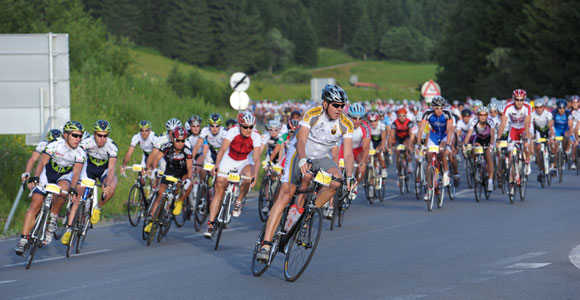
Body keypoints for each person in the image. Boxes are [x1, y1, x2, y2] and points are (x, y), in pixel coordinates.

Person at [256, 84, 354, 262]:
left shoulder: (346, 124)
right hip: (299, 152)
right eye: (335, 105)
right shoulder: (312, 114)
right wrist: (302, 159)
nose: (339, 109)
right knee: (286, 194)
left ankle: (306, 215)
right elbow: (300, 141)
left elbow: (348, 154)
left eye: (342, 105)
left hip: (320, 157)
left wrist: (350, 176)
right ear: (325, 104)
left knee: (337, 180)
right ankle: (266, 244)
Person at [15, 121, 86, 254]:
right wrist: (35, 177)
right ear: (66, 135)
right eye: (75, 135)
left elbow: (76, 172)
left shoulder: (81, 153)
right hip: (47, 175)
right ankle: (23, 240)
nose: (78, 139)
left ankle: (53, 219)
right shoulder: (54, 145)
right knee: (34, 205)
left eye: (80, 136)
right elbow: (42, 162)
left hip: (63, 176)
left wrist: (73, 188)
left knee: (63, 191)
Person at [203, 111, 262, 237]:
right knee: (219, 189)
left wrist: (255, 176)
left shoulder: (256, 136)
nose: (248, 130)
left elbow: (257, 158)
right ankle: (211, 224)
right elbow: (223, 149)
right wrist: (217, 165)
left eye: (251, 127)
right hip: (229, 159)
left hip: (245, 161)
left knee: (247, 177)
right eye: (245, 127)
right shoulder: (233, 131)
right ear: (240, 125)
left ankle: (239, 201)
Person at [62, 120, 119, 245]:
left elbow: (111, 169)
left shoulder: (112, 146)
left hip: (103, 171)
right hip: (89, 169)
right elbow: (79, 159)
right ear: (94, 134)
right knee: (78, 198)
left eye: (105, 136)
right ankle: (69, 230)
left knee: (113, 183)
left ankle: (97, 207)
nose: (102, 138)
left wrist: (107, 184)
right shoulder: (86, 142)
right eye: (99, 135)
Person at [144, 126, 193, 233]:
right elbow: (156, 159)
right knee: (160, 195)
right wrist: (155, 169)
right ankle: (151, 222)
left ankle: (180, 201)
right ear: (173, 139)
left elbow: (189, 168)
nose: (180, 143)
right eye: (178, 140)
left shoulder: (187, 151)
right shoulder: (167, 146)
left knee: (189, 184)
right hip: (170, 170)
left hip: (182, 172)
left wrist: (188, 179)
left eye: (182, 140)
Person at [417, 96, 455, 200]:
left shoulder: (448, 113)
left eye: (441, 108)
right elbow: (420, 130)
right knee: (429, 159)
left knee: (443, 151)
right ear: (432, 107)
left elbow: (450, 129)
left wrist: (447, 145)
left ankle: (446, 173)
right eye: (436, 108)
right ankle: (429, 188)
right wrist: (419, 145)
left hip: (444, 135)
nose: (439, 110)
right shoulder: (427, 113)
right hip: (433, 136)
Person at [497, 89, 533, 181]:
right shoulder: (508, 107)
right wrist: (498, 138)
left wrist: (525, 137)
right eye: (517, 99)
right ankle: (513, 174)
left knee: (526, 144)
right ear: (513, 99)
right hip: (513, 128)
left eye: (521, 100)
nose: (519, 102)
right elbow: (503, 124)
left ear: (524, 99)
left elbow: (526, 123)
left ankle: (527, 162)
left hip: (524, 127)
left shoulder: (528, 107)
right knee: (510, 152)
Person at [463, 106, 496, 191]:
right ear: (478, 115)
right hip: (479, 139)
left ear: (487, 115)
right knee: (474, 149)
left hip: (488, 139)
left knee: (489, 156)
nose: (483, 117)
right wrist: (465, 144)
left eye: (485, 115)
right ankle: (477, 167)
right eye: (481, 115)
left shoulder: (490, 122)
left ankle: (490, 181)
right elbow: (469, 135)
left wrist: (492, 144)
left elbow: (492, 134)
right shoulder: (474, 122)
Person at [530, 98, 554, 180]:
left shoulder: (548, 114)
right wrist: (532, 136)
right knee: (539, 149)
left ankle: (552, 162)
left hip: (547, 131)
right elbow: (531, 127)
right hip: (538, 131)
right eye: (537, 107)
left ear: (543, 107)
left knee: (553, 143)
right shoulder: (532, 114)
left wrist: (551, 137)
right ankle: (540, 169)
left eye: (540, 107)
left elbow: (551, 127)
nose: (539, 109)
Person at [389, 108, 416, 178]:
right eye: (400, 116)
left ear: (406, 116)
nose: (401, 117)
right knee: (398, 153)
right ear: (397, 116)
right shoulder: (394, 123)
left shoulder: (409, 122)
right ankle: (399, 169)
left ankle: (409, 165)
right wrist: (390, 145)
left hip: (406, 137)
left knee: (407, 146)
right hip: (398, 138)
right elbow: (392, 135)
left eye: (403, 116)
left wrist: (410, 145)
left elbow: (410, 134)